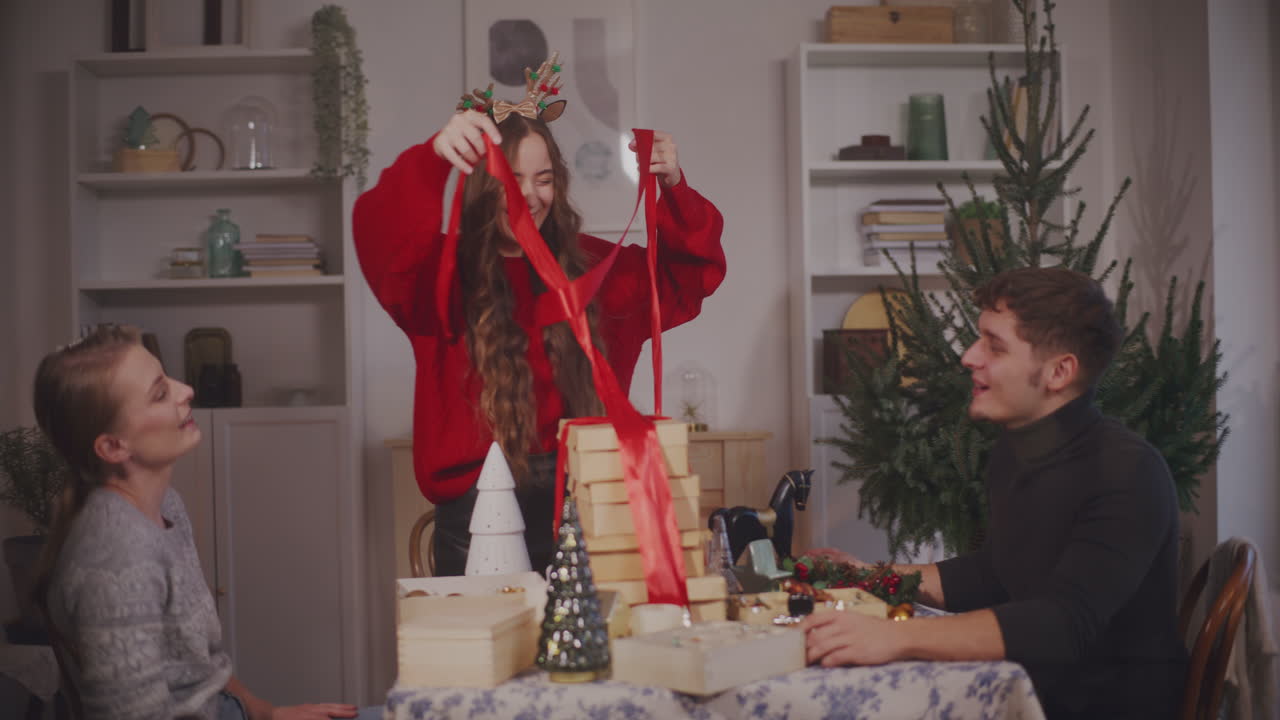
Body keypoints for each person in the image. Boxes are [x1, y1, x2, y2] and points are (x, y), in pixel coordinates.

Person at [353, 55, 726, 576]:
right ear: (480, 186)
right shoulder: (441, 277)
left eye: (544, 179)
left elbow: (687, 278)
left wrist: (675, 187)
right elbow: (381, 238)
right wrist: (433, 157)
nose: (528, 196)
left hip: (590, 512)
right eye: (510, 179)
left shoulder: (599, 271)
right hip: (476, 524)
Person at [801, 267, 1187, 719]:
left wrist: (893, 636)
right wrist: (870, 576)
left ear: (1059, 371)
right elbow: (994, 574)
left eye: (995, 346)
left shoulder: (1129, 472)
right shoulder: (1014, 451)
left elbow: (1062, 624)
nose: (969, 357)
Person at [32, 325, 376, 720]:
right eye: (160, 393)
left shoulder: (167, 506)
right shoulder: (117, 555)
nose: (186, 391)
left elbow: (204, 665)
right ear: (113, 446)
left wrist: (270, 713)